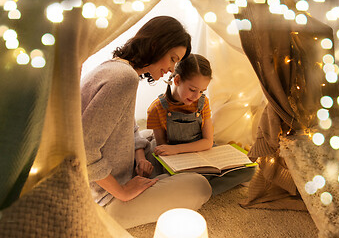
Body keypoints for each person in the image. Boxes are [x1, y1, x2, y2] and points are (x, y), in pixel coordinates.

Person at [81, 16, 212, 229]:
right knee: (200, 186)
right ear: (155, 45)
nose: (171, 69)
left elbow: (129, 127)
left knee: (150, 141)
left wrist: (139, 157)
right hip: (106, 197)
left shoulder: (116, 68)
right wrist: (123, 192)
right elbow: (85, 151)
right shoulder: (123, 79)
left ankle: (144, 173)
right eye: (172, 58)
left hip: (120, 170)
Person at [147, 54, 255, 196]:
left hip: (201, 151)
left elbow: (208, 142)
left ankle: (201, 191)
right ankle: (197, 188)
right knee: (166, 177)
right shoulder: (156, 108)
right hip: (176, 159)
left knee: (249, 169)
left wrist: (179, 149)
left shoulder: (203, 103)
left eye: (202, 91)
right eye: (192, 90)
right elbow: (162, 148)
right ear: (177, 80)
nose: (196, 96)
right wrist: (175, 152)